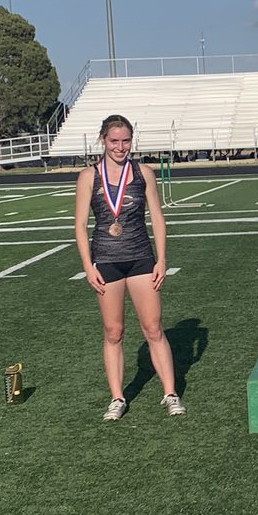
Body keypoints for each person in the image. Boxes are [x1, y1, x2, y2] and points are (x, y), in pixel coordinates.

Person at [74, 114, 185, 420]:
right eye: (114, 141)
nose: (120, 147)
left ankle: (170, 393)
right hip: (105, 261)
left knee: (152, 327)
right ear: (103, 140)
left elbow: (158, 218)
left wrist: (161, 259)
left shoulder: (143, 172)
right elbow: (80, 225)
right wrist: (87, 265)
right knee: (113, 331)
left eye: (125, 141)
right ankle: (117, 397)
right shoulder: (88, 177)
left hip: (140, 258)